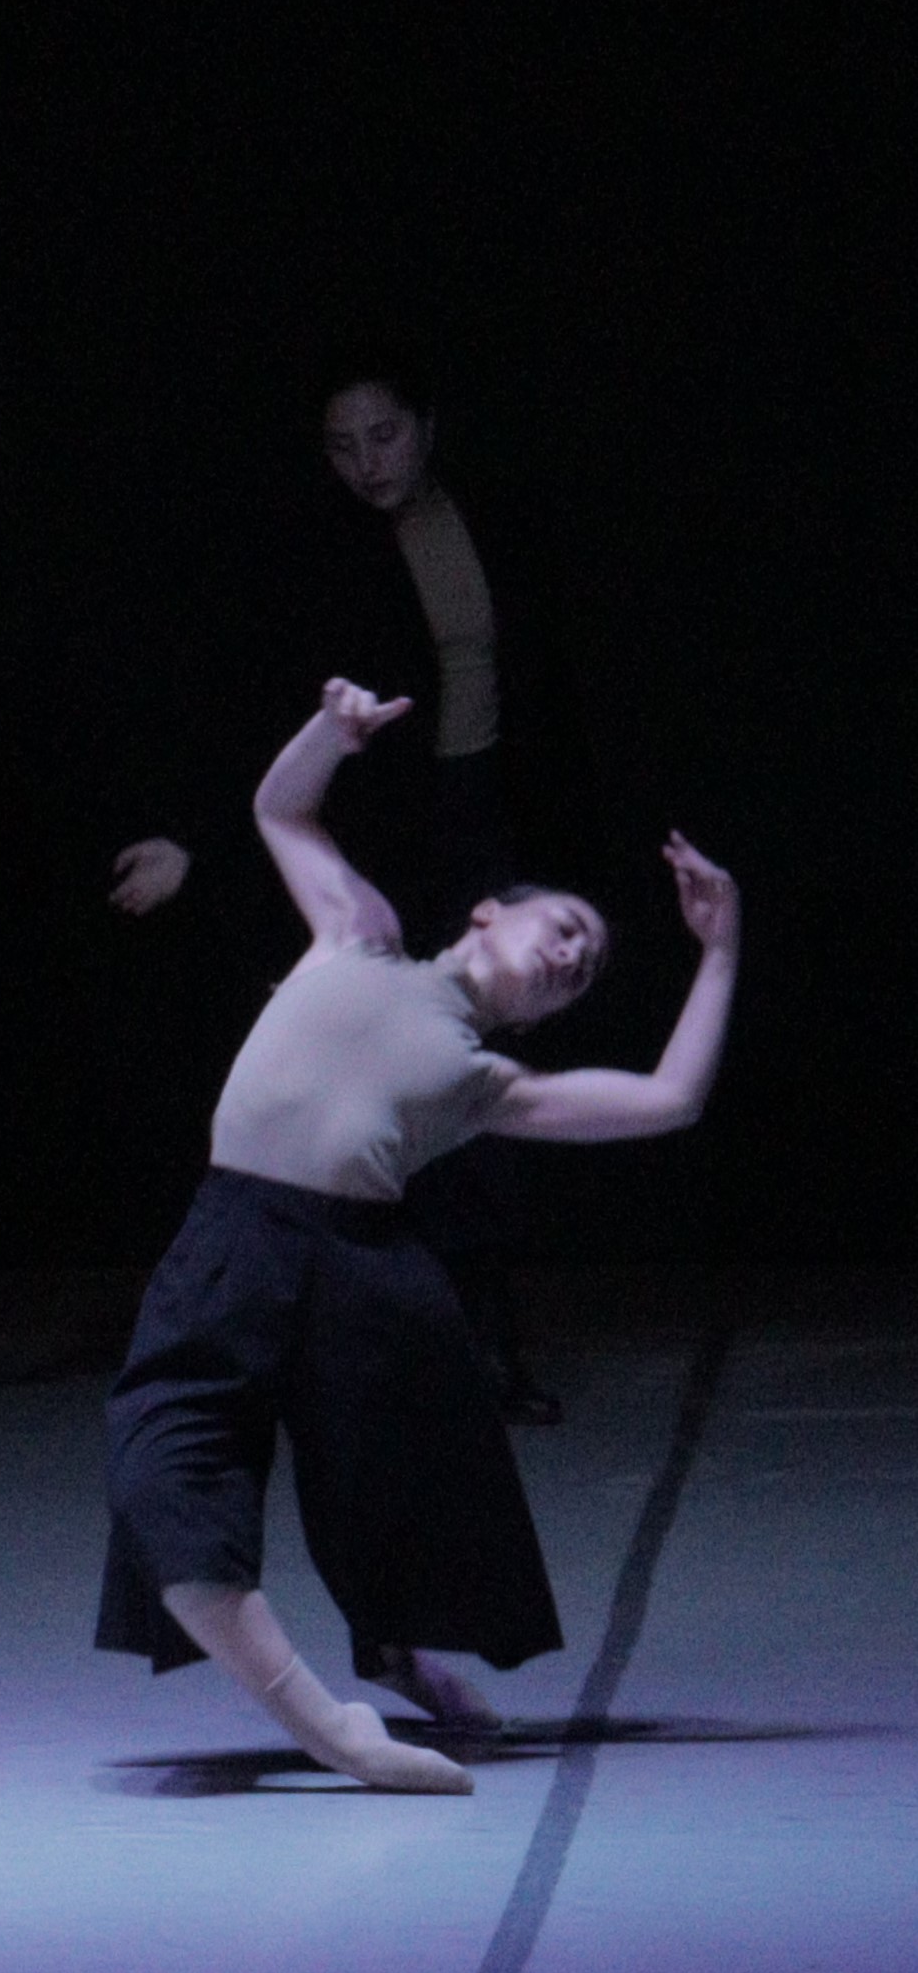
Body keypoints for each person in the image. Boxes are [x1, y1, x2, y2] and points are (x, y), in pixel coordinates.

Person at [99, 678, 739, 1792]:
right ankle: (331, 1726)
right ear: (488, 913)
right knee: (166, 1480)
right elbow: (281, 810)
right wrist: (330, 733)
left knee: (395, 1488)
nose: (570, 956)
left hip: (359, 1268)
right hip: (236, 1237)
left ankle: (395, 1652)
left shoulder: (490, 1084)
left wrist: (719, 950)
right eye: (564, 928)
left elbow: (670, 1097)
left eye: (583, 970)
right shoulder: (362, 935)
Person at [281, 356, 587, 1422]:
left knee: (486, 1062)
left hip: (486, 813)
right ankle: (412, 1338)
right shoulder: (320, 552)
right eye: (342, 445)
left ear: (426, 425)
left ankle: (486, 1327)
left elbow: (544, 673)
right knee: (399, 1072)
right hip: (386, 837)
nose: (367, 463)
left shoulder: (487, 520)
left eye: (385, 435)